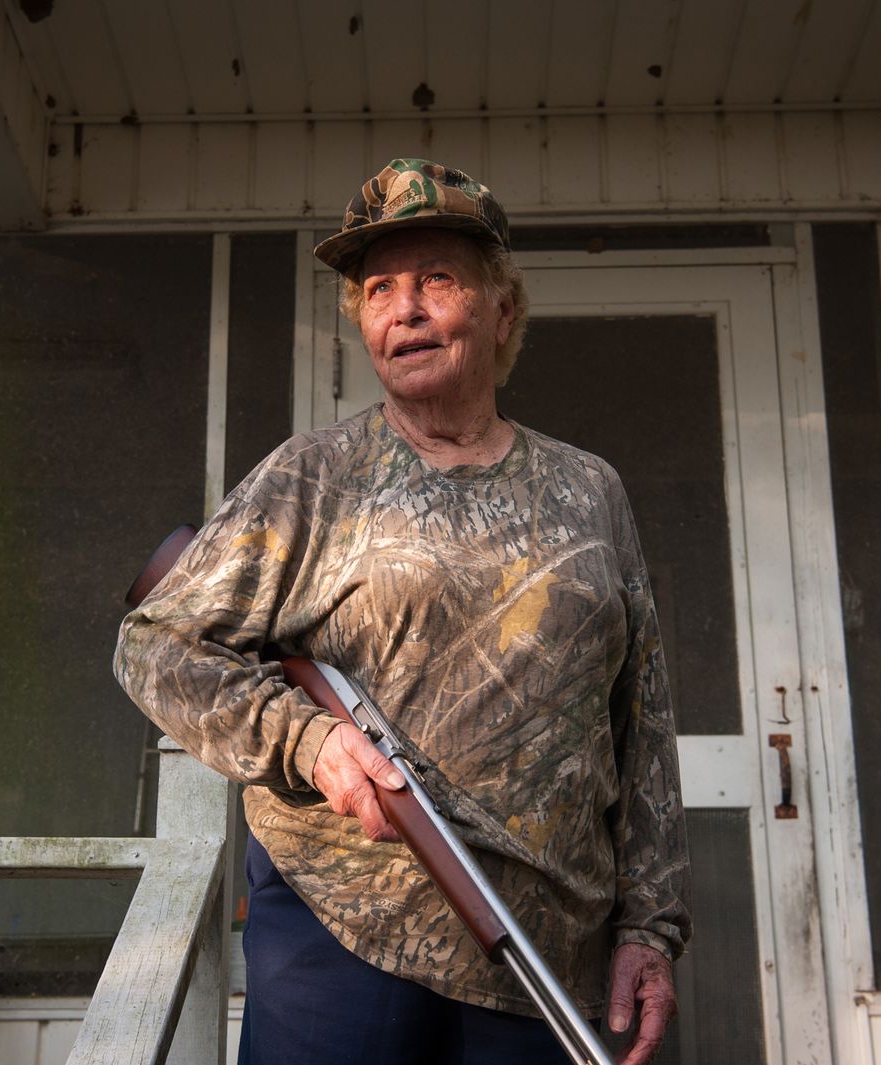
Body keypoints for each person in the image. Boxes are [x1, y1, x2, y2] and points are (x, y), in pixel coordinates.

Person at [114, 159, 689, 1065]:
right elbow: (157, 643)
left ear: (502, 312)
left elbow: (641, 723)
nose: (404, 309)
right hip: (344, 936)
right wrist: (308, 740)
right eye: (378, 289)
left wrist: (651, 926)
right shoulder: (315, 476)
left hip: (544, 956)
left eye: (437, 281)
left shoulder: (590, 490)